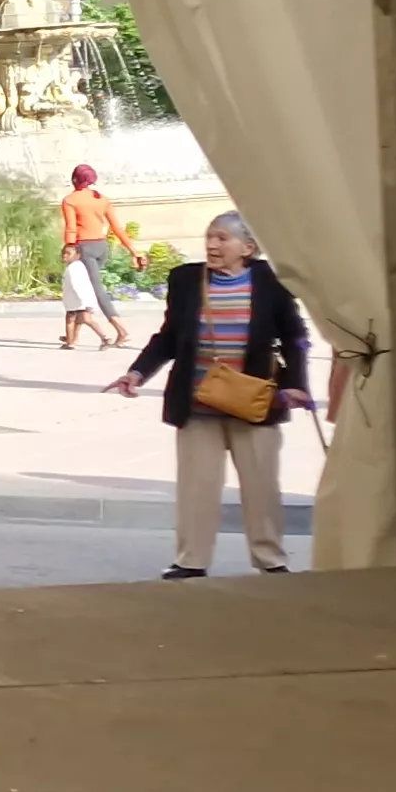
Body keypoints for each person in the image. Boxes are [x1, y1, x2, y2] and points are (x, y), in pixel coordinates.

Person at [113, 212, 309, 579]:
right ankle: (191, 561)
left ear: (247, 247)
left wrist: (296, 383)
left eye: (222, 238)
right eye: (209, 237)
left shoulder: (272, 280)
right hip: (197, 402)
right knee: (197, 489)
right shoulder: (186, 279)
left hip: (254, 403)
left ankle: (270, 559)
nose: (212, 245)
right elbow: (169, 336)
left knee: (262, 489)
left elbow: (294, 336)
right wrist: (137, 372)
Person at [60, 165, 131, 351]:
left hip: (84, 249)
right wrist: (133, 250)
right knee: (85, 289)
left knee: (96, 291)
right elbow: (117, 227)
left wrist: (69, 250)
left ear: (74, 179)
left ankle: (121, 330)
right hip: (101, 247)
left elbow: (71, 228)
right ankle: (72, 338)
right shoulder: (101, 199)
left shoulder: (70, 200)